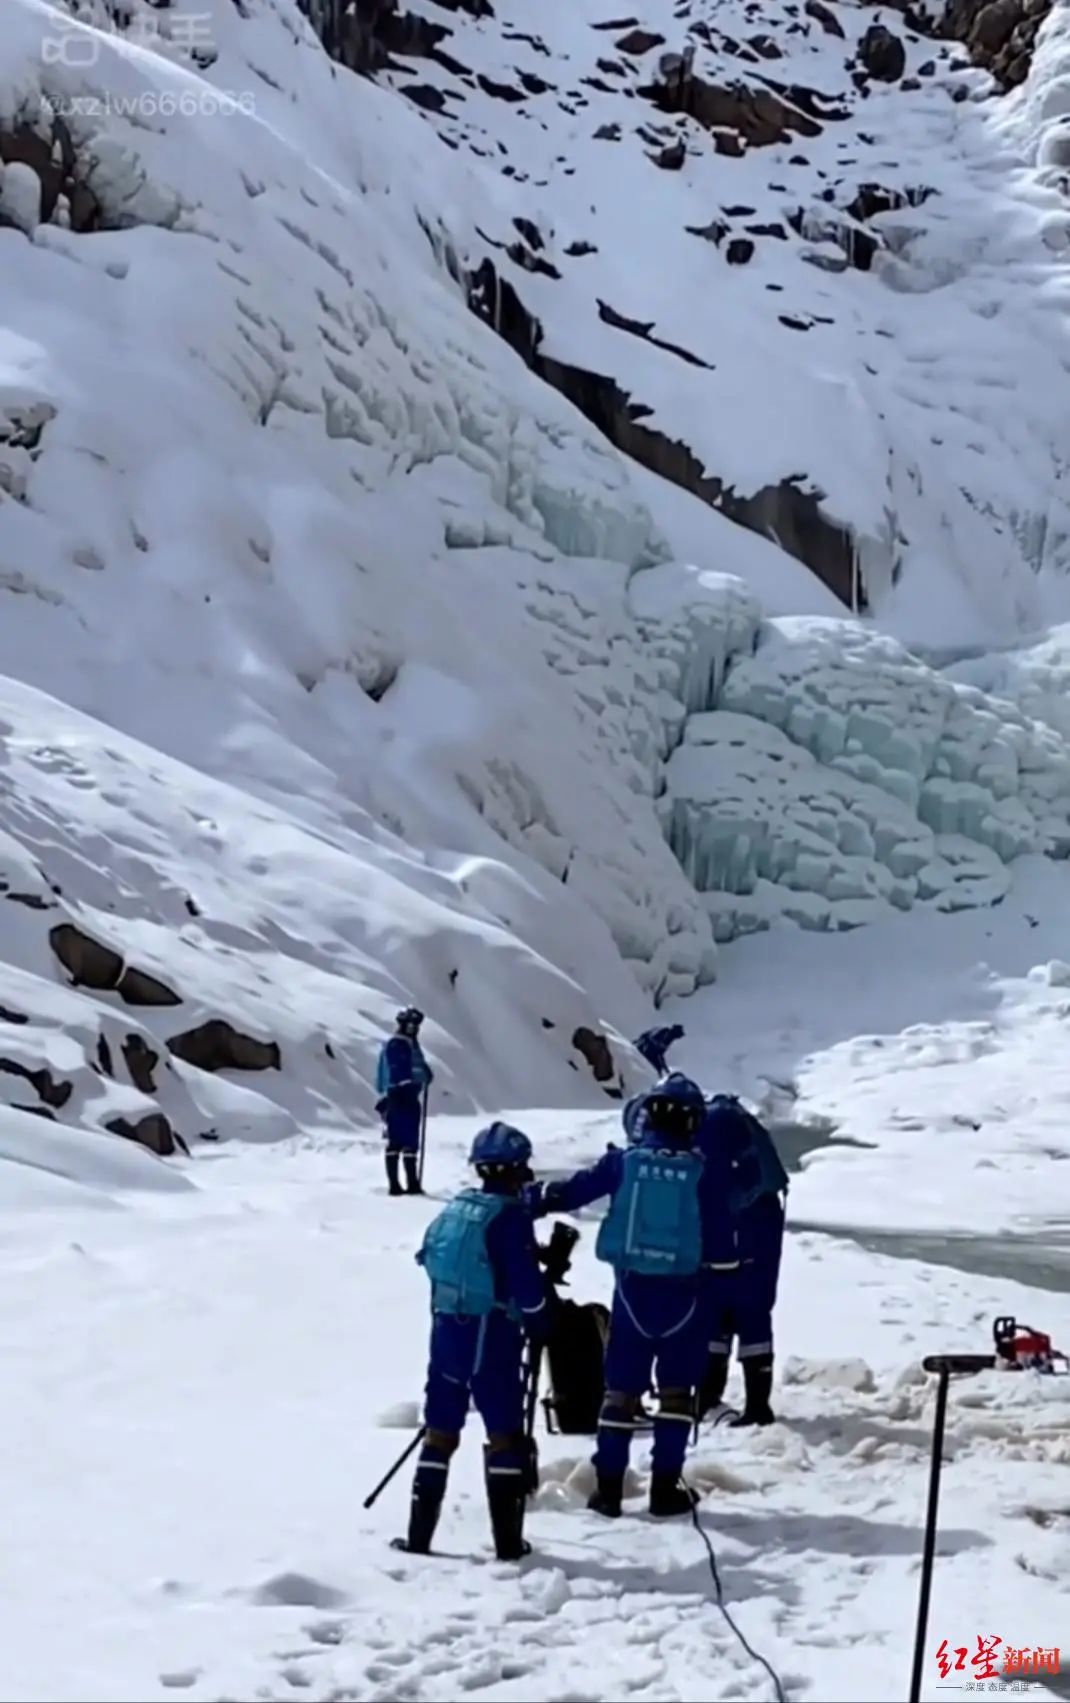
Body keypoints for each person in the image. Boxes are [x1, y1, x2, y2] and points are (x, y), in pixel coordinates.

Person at [530, 1073, 713, 1520]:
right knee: (676, 1393)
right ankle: (665, 1488)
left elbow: (571, 1191)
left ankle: (607, 1489)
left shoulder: (624, 1163)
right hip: (685, 1295)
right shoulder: (703, 1171)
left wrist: (527, 1199)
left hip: (631, 1291)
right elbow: (727, 1228)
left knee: (620, 1391)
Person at [395, 1122, 550, 1561]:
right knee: (503, 1432)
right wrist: (541, 1320)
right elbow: (525, 1286)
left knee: (441, 1429)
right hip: (492, 1335)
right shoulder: (510, 1218)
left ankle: (419, 1537)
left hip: (447, 1332)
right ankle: (507, 1544)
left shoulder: (459, 1207)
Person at [696, 1094, 788, 1427]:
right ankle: (757, 1404)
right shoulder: (753, 1155)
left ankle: (707, 1399)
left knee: (714, 1324)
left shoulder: (709, 1146)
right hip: (759, 1256)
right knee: (755, 1324)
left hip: (722, 1258)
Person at [376, 1007, 433, 1196]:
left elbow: (416, 1066)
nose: (414, 1029)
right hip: (398, 1095)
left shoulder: (411, 1045)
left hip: (410, 1095)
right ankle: (395, 1183)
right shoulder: (396, 1044)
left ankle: (412, 1182)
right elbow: (397, 1069)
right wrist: (408, 1080)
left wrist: (424, 1074)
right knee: (396, 1139)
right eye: (411, 1025)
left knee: (410, 1140)